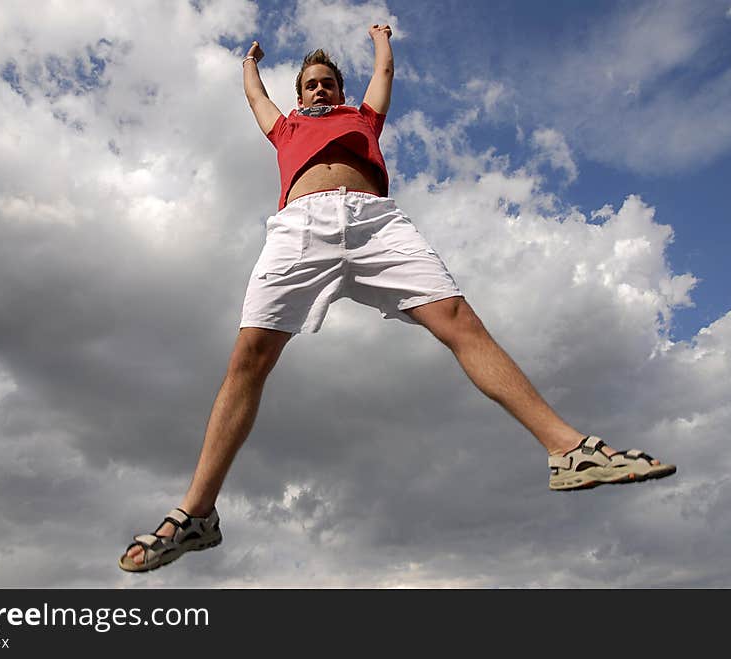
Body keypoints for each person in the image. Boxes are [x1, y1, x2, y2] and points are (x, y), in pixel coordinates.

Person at [118, 25, 676, 573]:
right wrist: (248, 64)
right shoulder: (286, 129)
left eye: (327, 83)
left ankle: (569, 451)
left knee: (458, 320)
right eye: (310, 84)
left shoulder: (362, 119)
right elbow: (256, 98)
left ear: (340, 91)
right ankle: (197, 512)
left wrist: (381, 39)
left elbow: (383, 73)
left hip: (376, 225)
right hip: (299, 229)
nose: (318, 90)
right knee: (249, 358)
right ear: (299, 95)